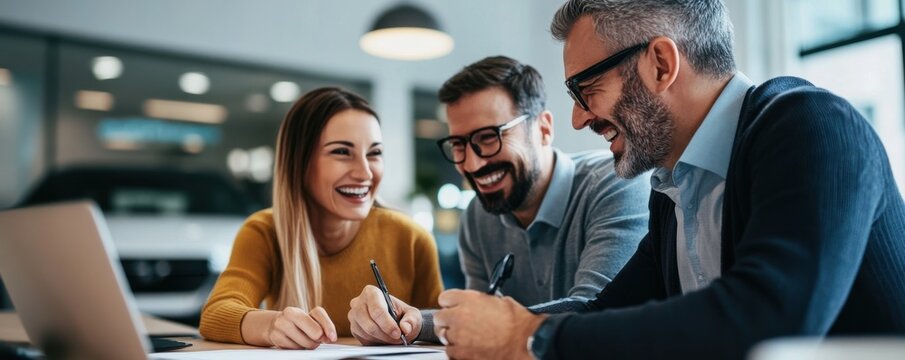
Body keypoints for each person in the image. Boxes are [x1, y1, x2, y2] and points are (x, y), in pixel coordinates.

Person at [432, 0, 905, 359]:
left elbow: (771, 320)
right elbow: (605, 312)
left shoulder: (813, 126)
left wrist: (527, 337)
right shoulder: (674, 186)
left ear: (660, 63)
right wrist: (486, 323)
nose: (577, 119)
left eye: (585, 89)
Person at [347, 56, 650, 345]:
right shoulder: (478, 216)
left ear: (543, 129)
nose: (473, 164)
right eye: (458, 144)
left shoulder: (616, 185)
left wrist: (442, 322)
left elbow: (593, 311)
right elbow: (480, 323)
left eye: (489, 137)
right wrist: (411, 321)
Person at [199, 87, 443, 349]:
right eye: (341, 152)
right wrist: (272, 325)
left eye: (374, 153)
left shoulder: (411, 238)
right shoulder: (265, 231)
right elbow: (216, 314)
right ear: (300, 164)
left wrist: (416, 324)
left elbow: (448, 324)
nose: (364, 173)